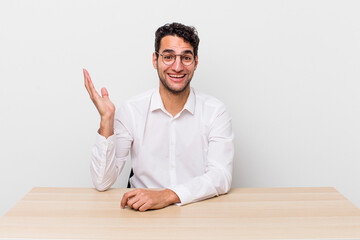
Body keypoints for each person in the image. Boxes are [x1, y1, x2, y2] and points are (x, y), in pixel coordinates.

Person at [83, 22, 234, 212]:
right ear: (155, 60)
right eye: (169, 57)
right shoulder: (131, 110)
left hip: (198, 210)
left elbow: (221, 176)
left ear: (195, 62)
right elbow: (102, 181)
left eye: (186, 58)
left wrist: (167, 195)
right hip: (142, 213)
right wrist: (106, 121)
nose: (177, 67)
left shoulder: (215, 111)